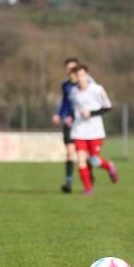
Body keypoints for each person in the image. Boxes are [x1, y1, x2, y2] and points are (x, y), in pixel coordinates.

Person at [68, 65, 119, 194]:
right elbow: (74, 109)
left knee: (93, 160)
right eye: (77, 75)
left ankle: (109, 166)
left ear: (87, 75)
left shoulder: (97, 89)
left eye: (81, 75)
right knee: (81, 160)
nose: (79, 78)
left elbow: (108, 107)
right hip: (78, 131)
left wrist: (91, 113)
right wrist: (70, 117)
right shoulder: (73, 92)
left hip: (95, 131)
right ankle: (88, 189)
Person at [51, 57, 79, 193]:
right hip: (69, 123)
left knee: (86, 156)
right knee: (69, 152)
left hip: (83, 124)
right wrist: (59, 115)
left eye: (73, 68)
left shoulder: (86, 83)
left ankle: (91, 177)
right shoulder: (65, 85)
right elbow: (65, 103)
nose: (70, 70)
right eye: (68, 68)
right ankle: (68, 182)